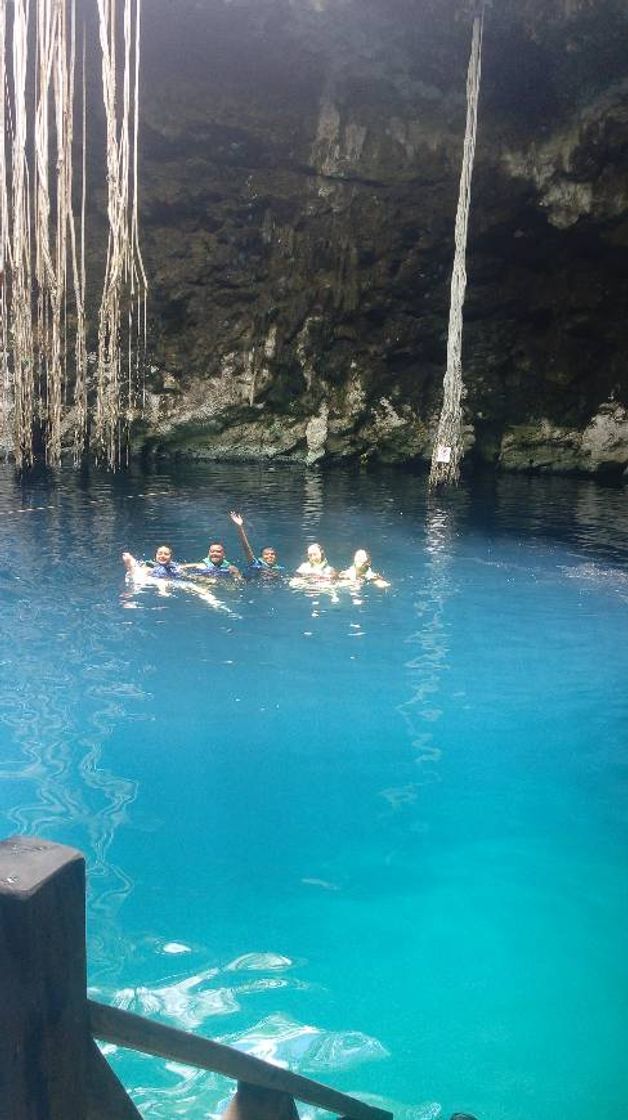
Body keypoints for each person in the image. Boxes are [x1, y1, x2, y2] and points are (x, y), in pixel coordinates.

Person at [229, 511, 284, 576]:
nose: (270, 556)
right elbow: (246, 549)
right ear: (262, 557)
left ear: (276, 557)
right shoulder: (256, 564)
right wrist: (240, 527)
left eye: (272, 554)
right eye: (266, 554)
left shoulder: (279, 569)